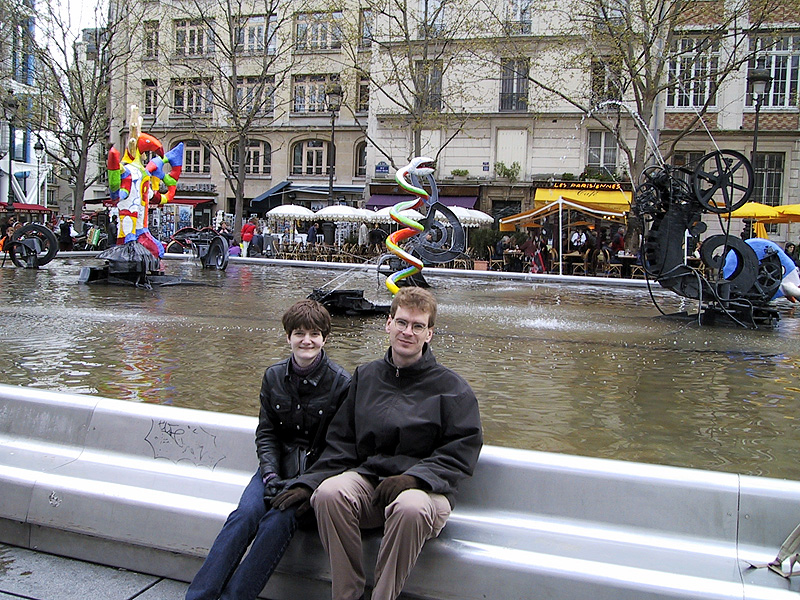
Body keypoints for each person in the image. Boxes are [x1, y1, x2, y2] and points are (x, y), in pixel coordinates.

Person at [272, 287, 483, 600]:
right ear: (388, 324)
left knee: (409, 508)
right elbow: (342, 443)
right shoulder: (367, 377)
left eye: (417, 326)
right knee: (328, 495)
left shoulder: (453, 389)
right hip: (372, 484)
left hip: (426, 493)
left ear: (430, 334)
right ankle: (347, 594)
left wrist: (415, 478)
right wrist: (308, 484)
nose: (407, 332)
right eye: (401, 323)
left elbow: (460, 451)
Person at [185, 299, 351, 600]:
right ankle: (198, 596)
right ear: (288, 337)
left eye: (314, 333)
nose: (307, 340)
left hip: (313, 479)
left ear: (325, 338)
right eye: (299, 333)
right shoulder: (273, 376)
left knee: (279, 520)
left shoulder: (341, 383)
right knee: (245, 515)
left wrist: (304, 485)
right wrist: (271, 473)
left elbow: (340, 449)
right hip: (276, 468)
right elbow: (267, 433)